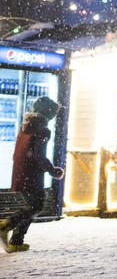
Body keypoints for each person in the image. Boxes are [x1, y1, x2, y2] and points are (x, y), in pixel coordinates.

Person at [0, 96, 65, 252]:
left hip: (21, 171)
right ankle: (6, 225)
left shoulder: (27, 125)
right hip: (32, 173)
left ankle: (16, 241)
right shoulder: (42, 129)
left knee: (33, 205)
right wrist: (53, 171)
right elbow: (39, 155)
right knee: (36, 205)